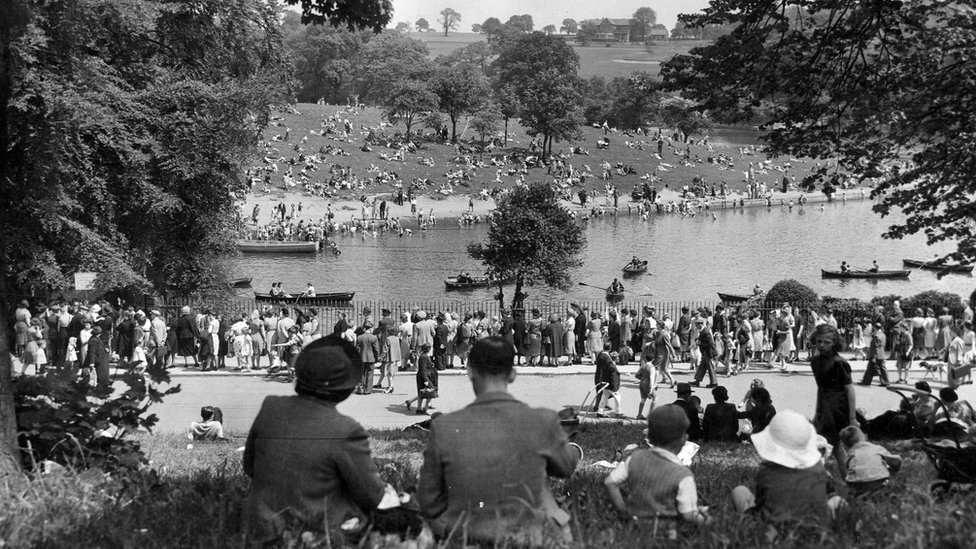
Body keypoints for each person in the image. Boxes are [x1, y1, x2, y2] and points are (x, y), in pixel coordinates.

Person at [418, 337, 579, 545]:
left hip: (465, 537)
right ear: (512, 375)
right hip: (528, 539)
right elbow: (566, 467)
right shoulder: (543, 420)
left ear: (470, 372)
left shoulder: (444, 426)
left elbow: (428, 501)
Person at [243, 335, 387, 541]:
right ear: (344, 389)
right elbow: (373, 496)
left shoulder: (270, 406)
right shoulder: (347, 430)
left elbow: (249, 467)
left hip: (260, 528)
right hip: (312, 532)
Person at [604, 405, 710, 528]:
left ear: (649, 437)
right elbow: (688, 515)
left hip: (635, 525)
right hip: (667, 531)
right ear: (684, 440)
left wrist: (624, 513)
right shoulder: (683, 475)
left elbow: (609, 482)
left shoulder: (635, 458)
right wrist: (705, 519)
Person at [731, 410, 845, 522]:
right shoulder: (819, 470)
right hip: (813, 524)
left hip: (771, 527)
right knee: (837, 500)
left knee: (739, 491)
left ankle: (748, 523)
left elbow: (761, 502)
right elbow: (828, 492)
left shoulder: (766, 471)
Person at [810, 323, 858, 478]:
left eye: (827, 342)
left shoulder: (839, 362)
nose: (822, 345)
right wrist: (818, 411)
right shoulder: (815, 361)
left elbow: (849, 389)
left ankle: (825, 476)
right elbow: (820, 388)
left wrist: (852, 417)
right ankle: (846, 477)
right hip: (824, 406)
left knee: (826, 444)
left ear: (835, 343)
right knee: (834, 446)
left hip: (837, 408)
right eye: (819, 341)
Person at [839, 425, 902, 495]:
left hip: (856, 483)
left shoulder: (851, 453)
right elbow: (896, 460)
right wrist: (895, 470)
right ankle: (885, 493)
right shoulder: (876, 448)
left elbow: (847, 466)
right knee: (884, 482)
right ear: (863, 437)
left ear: (846, 445)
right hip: (878, 481)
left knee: (857, 490)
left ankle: (859, 495)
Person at [405, 343, 437, 414]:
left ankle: (418, 408)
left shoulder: (424, 356)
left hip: (423, 376)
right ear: (428, 349)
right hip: (423, 376)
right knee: (431, 392)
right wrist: (425, 380)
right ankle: (425, 408)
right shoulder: (424, 357)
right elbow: (422, 369)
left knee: (423, 392)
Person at [859, 320, 890, 386]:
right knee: (882, 369)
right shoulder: (883, 335)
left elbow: (875, 347)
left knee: (870, 369)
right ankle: (885, 381)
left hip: (875, 355)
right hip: (881, 354)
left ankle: (866, 382)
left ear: (875, 328)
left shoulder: (876, 336)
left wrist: (874, 357)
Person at [690, 317, 717, 388]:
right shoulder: (703, 331)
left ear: (701, 324)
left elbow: (710, 343)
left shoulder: (706, 331)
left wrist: (700, 343)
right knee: (702, 366)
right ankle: (697, 380)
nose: (696, 326)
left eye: (697, 325)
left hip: (708, 352)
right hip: (705, 352)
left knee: (710, 367)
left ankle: (714, 382)